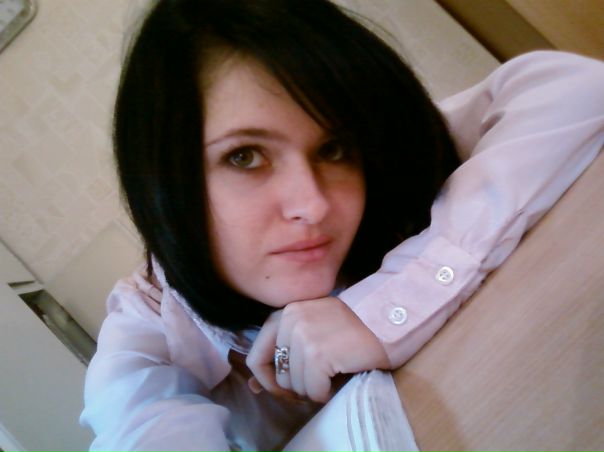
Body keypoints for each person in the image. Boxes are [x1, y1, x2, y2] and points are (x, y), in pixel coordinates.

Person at [80, 0, 604, 450]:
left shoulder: (389, 177)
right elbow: (140, 424)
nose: (313, 204)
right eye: (245, 156)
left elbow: (575, 88)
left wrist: (386, 307)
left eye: (332, 148)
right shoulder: (148, 332)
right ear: (165, 180)